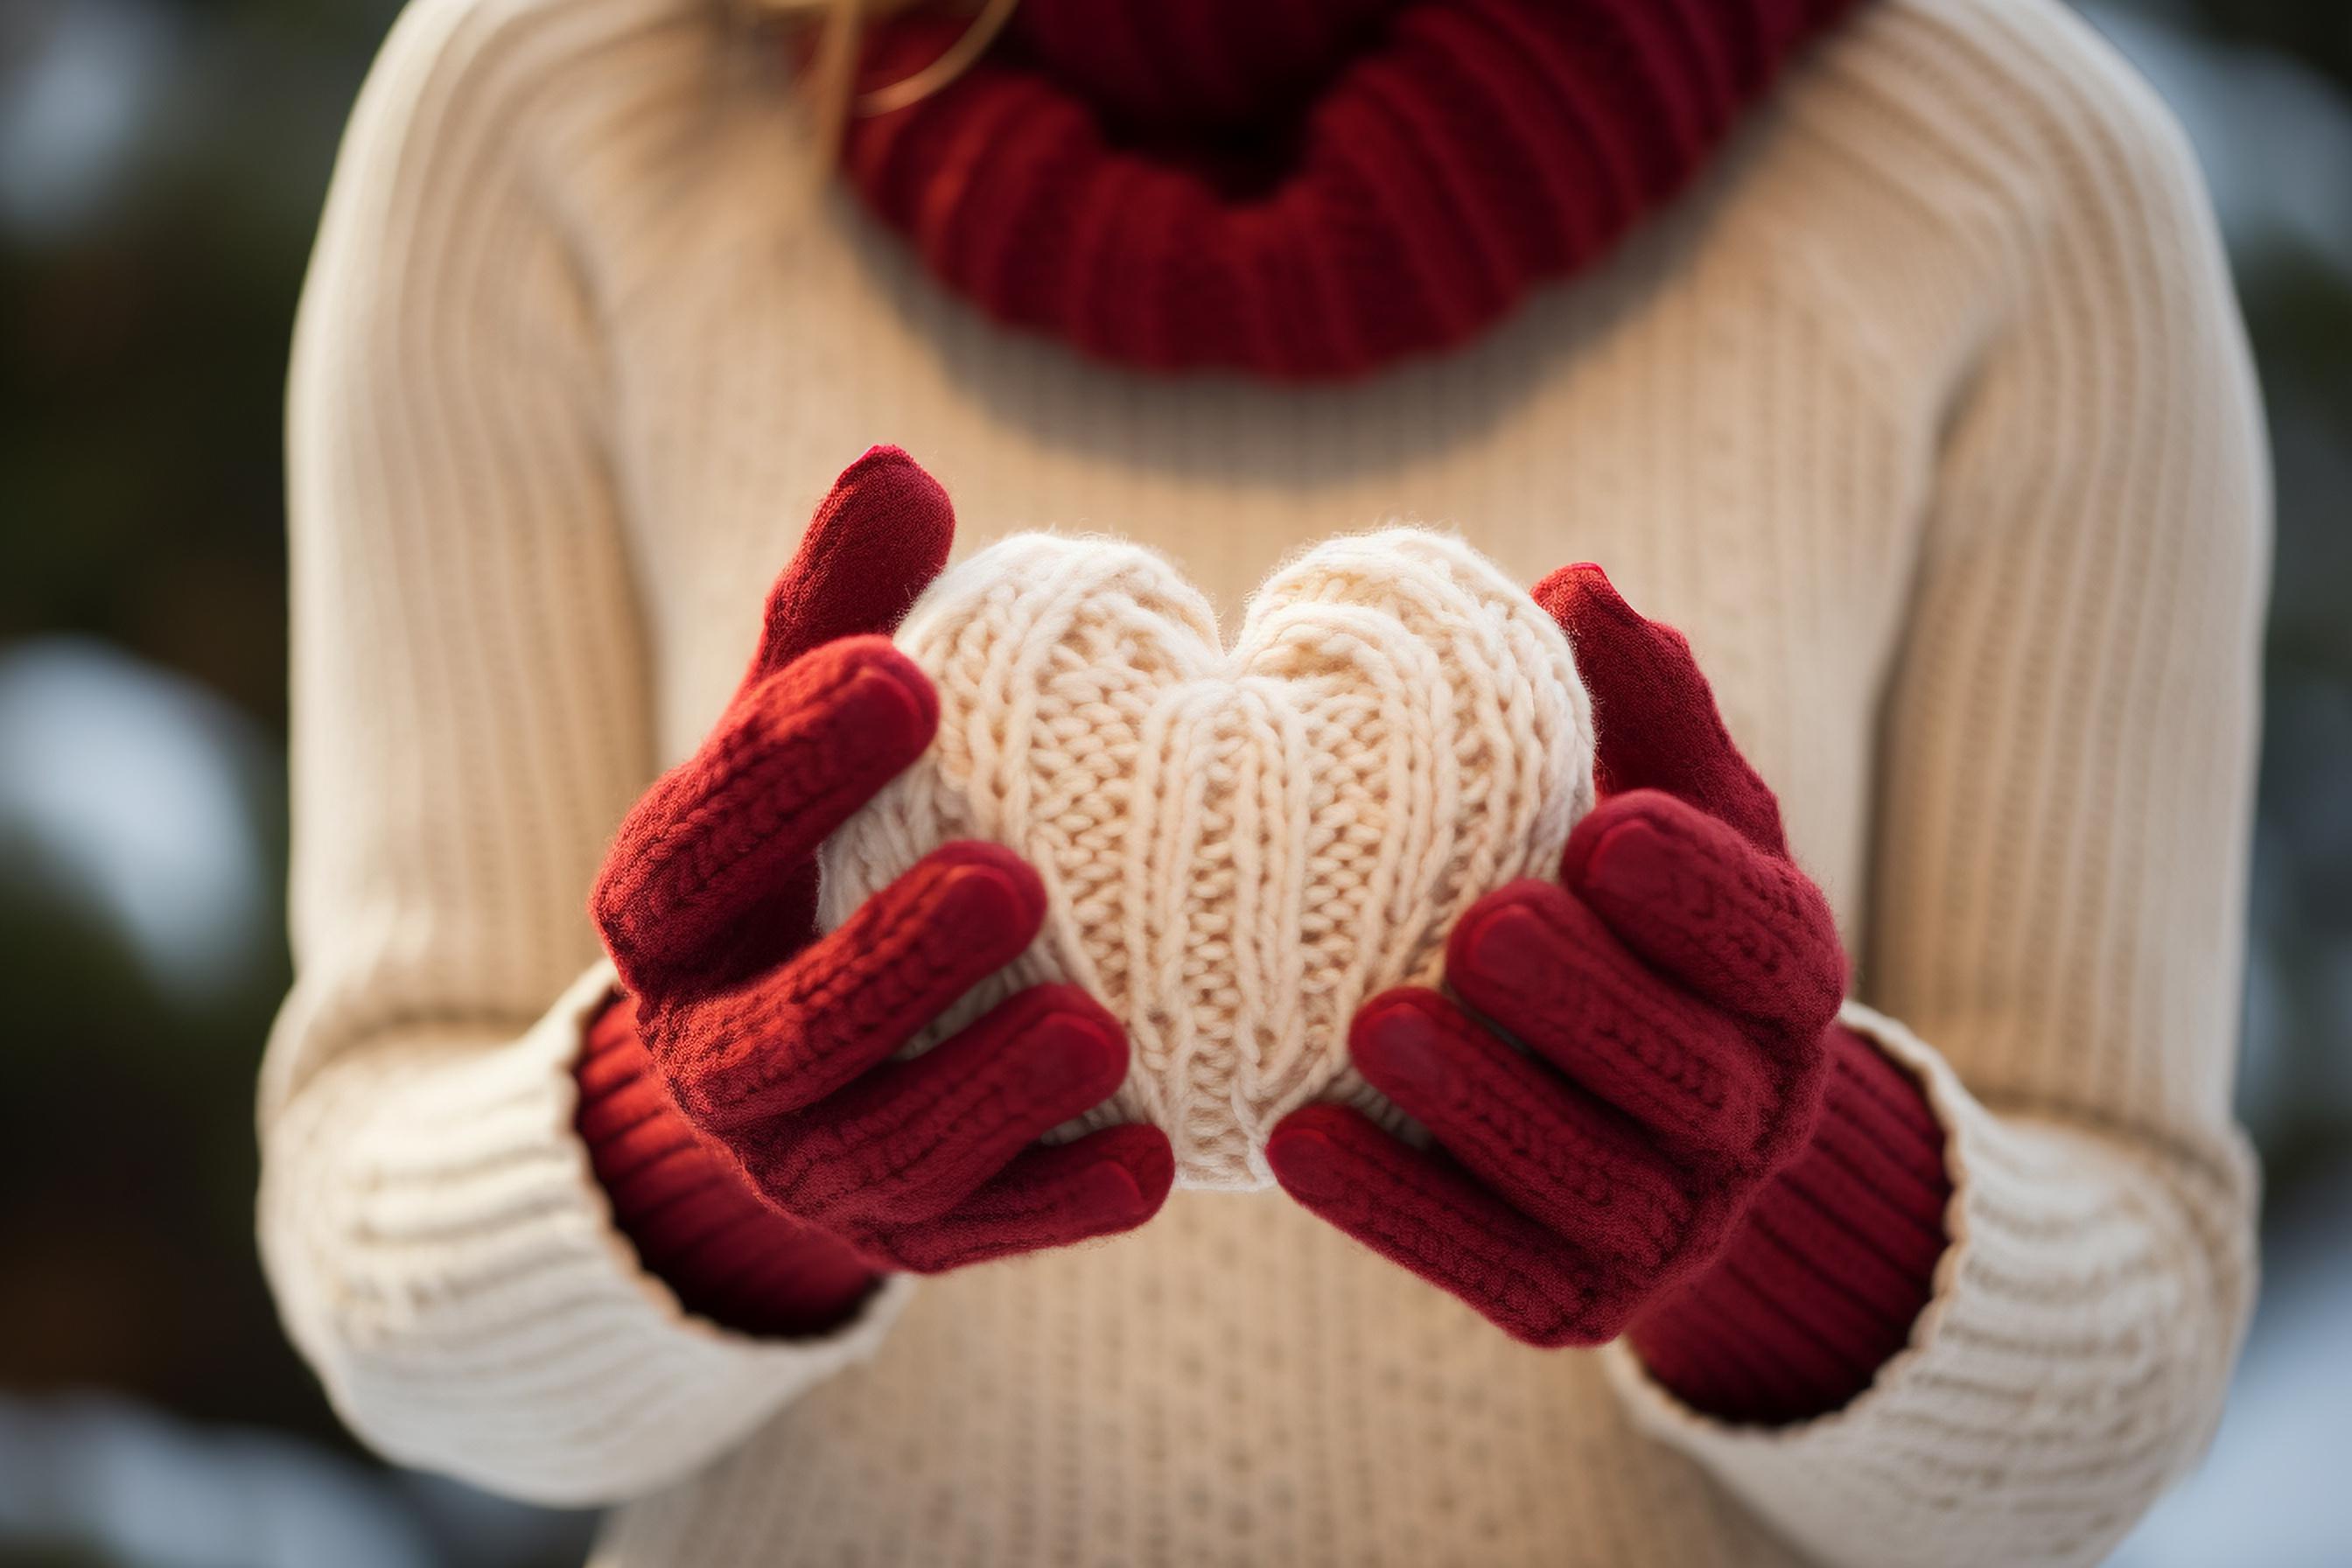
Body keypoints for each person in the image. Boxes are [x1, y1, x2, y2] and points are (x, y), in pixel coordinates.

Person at [259, 0, 2268, 1562]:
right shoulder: (552, 102)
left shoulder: (2013, 171)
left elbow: (2137, 1363)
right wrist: (694, 1143)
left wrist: (1791, 1205)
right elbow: (370, 1262)